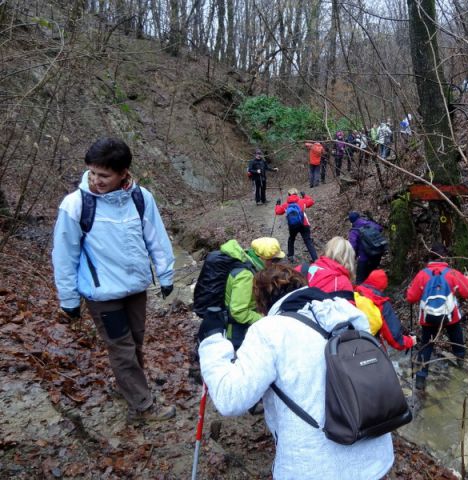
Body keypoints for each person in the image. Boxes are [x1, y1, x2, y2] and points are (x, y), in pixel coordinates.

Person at [197, 265, 393, 479]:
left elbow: (230, 398)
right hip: (376, 458)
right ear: (302, 286)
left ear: (262, 304)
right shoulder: (348, 314)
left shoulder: (269, 331)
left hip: (314, 469)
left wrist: (212, 341)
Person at [52, 137, 176, 423]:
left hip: (135, 288)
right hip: (102, 293)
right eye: (92, 172)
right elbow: (64, 254)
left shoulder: (140, 197)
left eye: (104, 175)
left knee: (136, 343)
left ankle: (130, 387)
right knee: (121, 348)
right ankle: (143, 405)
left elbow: (155, 236)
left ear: (123, 173)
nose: (96, 180)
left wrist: (166, 273)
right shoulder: (76, 205)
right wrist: (68, 298)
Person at [405, 243, 468, 390]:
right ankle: (461, 361)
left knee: (426, 344)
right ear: (444, 257)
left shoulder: (422, 274)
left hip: (428, 318)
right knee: (456, 336)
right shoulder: (452, 273)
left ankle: (420, 379)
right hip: (450, 317)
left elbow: (411, 298)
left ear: (430, 257)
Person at [215, 237, 285, 349]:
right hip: (237, 329)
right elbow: (238, 312)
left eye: (278, 260)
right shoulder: (246, 276)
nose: (275, 264)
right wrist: (263, 319)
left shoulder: (251, 263)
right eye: (273, 260)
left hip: (246, 321)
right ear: (261, 257)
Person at [356, 269, 416, 351]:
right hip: (370, 345)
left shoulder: (355, 293)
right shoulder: (380, 302)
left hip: (349, 344)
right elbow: (394, 339)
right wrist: (410, 341)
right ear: (382, 287)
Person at [275, 188, 318, 263]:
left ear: (288, 195)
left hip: (293, 226)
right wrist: (305, 196)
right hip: (304, 224)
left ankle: (290, 256)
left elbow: (278, 212)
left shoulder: (286, 205)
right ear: (297, 194)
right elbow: (311, 201)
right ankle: (315, 259)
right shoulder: (302, 201)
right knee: (308, 240)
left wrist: (277, 204)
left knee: (291, 239)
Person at [348, 211, 385, 284]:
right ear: (359, 217)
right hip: (377, 254)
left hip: (364, 258)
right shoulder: (369, 223)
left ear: (351, 221)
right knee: (371, 276)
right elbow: (380, 228)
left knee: (360, 280)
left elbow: (352, 246)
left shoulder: (354, 231)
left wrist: (352, 257)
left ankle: (361, 293)